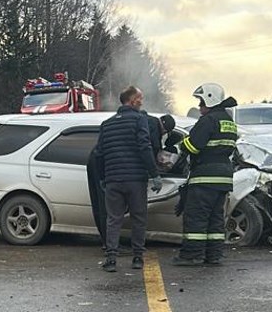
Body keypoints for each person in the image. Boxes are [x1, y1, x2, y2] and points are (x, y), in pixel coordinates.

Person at [87, 85, 163, 272]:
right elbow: (144, 148)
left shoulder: (107, 124)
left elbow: (100, 153)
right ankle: (137, 258)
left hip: (113, 180)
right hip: (136, 179)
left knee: (113, 219)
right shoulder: (139, 120)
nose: (142, 101)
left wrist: (104, 178)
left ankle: (111, 259)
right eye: (140, 98)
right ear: (131, 100)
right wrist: (154, 174)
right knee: (138, 218)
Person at [174, 83, 238, 266]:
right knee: (215, 219)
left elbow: (194, 146)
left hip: (205, 177)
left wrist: (180, 144)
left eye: (201, 101)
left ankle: (191, 255)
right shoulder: (228, 122)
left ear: (210, 99)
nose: (200, 106)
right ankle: (214, 255)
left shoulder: (208, 121)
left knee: (196, 218)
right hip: (224, 178)